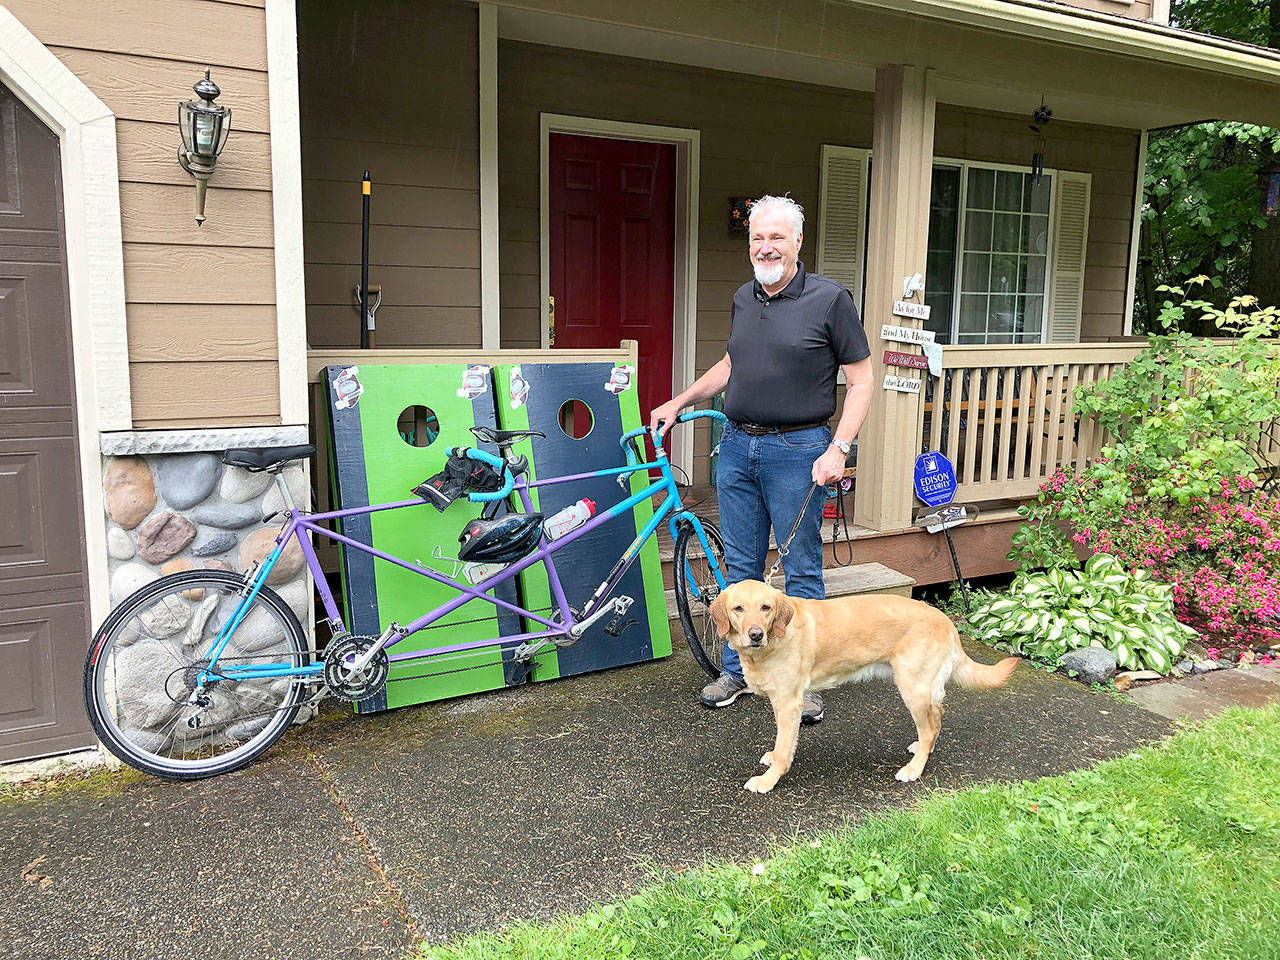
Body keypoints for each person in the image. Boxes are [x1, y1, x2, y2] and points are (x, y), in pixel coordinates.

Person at [650, 194, 874, 723]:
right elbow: (734, 362)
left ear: (798, 241)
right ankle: (738, 667)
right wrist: (681, 401)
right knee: (741, 571)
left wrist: (838, 446)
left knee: (800, 570)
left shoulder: (830, 300)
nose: (765, 246)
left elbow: (862, 380)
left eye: (776, 237)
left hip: (800, 450)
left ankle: (805, 677)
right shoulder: (743, 298)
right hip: (736, 446)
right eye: (757, 238)